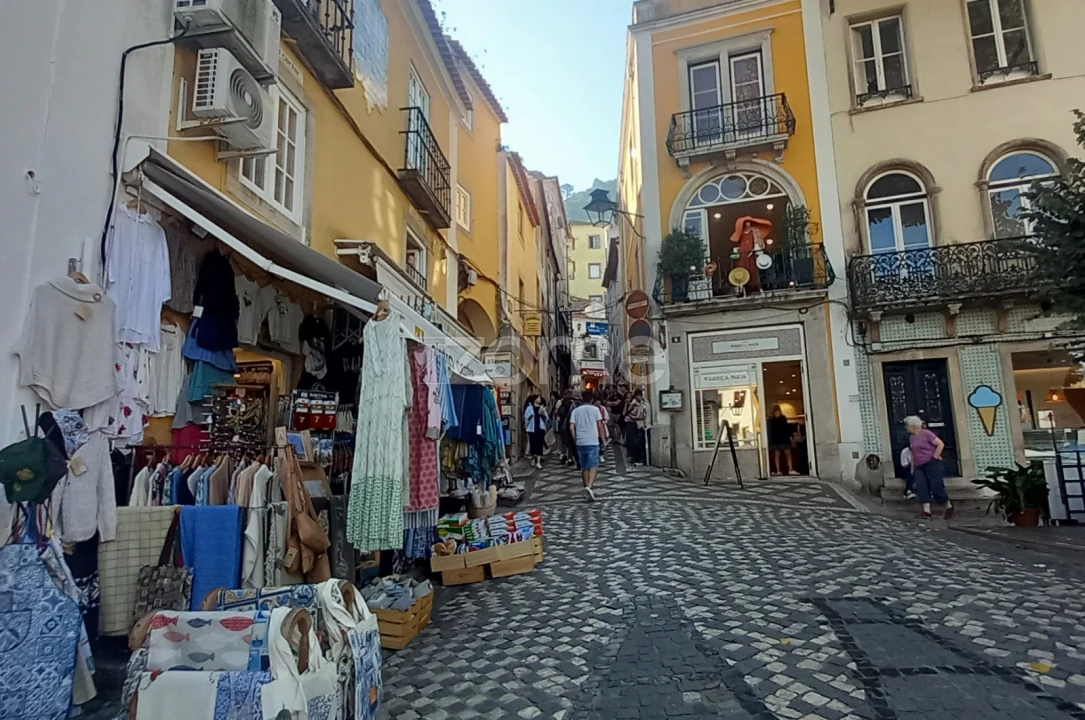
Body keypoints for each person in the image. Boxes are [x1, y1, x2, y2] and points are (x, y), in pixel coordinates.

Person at [905, 415, 953, 519]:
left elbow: (940, 444)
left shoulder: (926, 433)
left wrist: (935, 457)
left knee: (936, 487)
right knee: (922, 487)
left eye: (907, 425)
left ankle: (948, 506)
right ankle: (926, 511)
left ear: (913, 426)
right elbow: (913, 451)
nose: (906, 428)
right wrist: (912, 467)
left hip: (931, 464)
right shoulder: (912, 437)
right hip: (919, 465)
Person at [570, 390, 606, 501]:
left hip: (581, 442)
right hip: (593, 441)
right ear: (592, 400)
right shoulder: (595, 410)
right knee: (594, 465)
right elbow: (600, 426)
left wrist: (575, 438)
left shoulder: (576, 411)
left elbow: (571, 427)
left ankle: (586, 487)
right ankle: (589, 486)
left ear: (582, 398)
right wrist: (603, 439)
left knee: (585, 466)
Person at [768, 405, 796, 476]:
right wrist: (791, 436)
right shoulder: (782, 418)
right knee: (785, 453)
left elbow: (770, 430)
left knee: (778, 454)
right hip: (782, 438)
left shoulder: (771, 419)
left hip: (776, 439)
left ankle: (779, 470)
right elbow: (787, 428)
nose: (777, 413)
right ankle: (789, 469)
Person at [523, 395, 548, 469]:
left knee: (539, 445)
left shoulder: (542, 408)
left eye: (540, 398)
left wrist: (543, 414)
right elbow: (526, 418)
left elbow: (546, 418)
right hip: (531, 428)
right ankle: (533, 459)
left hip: (540, 428)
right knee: (533, 444)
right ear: (534, 399)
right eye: (538, 398)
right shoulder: (529, 408)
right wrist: (532, 416)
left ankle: (538, 462)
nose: (539, 399)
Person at [626, 389, 648, 466]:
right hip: (642, 426)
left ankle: (641, 460)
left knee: (638, 443)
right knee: (640, 443)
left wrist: (632, 417)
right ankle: (641, 459)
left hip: (643, 426)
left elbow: (640, 416)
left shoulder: (643, 405)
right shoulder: (644, 404)